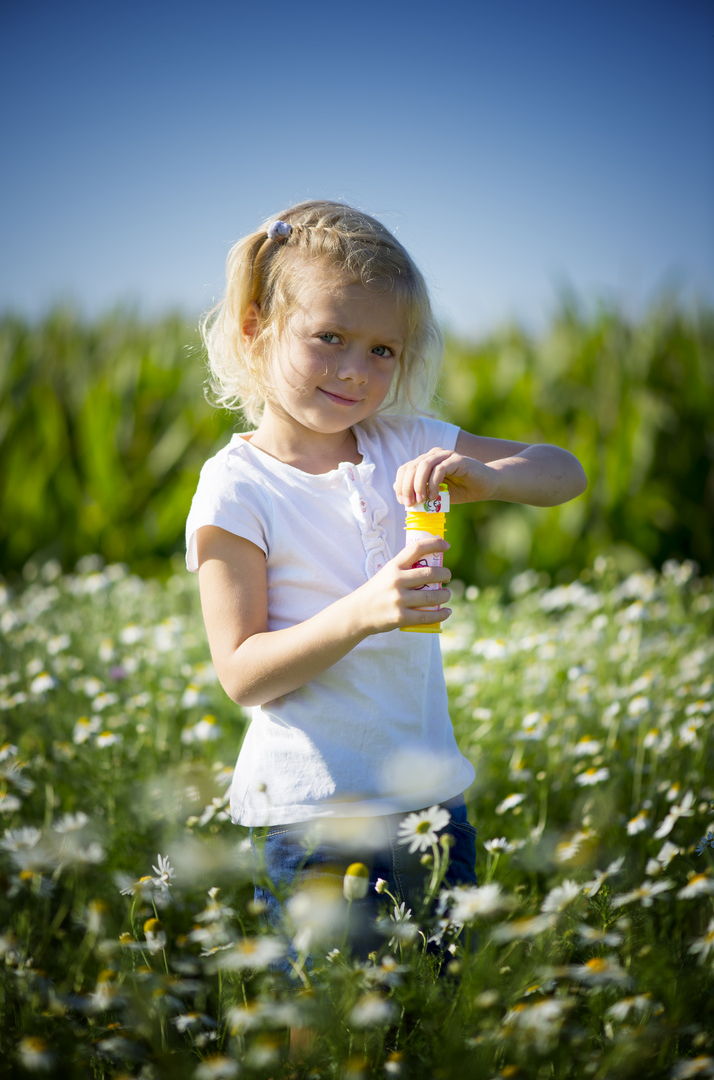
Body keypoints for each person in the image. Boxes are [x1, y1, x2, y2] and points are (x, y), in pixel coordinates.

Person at [185, 200, 587, 961]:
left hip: (431, 805)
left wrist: (485, 475)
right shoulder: (236, 487)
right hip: (315, 816)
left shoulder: (405, 440)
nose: (354, 370)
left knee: (427, 1018)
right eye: (328, 337)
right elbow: (242, 674)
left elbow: (563, 472)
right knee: (330, 1029)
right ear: (253, 328)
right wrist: (363, 612)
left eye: (381, 350)